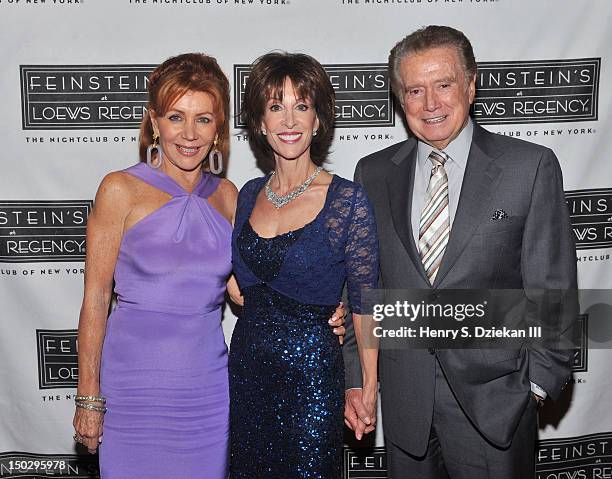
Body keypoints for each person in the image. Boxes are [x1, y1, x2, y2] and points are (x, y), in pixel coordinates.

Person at [72, 52, 346, 479]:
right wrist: (89, 396)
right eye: (176, 117)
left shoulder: (229, 196)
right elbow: (93, 300)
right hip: (133, 389)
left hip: (208, 388)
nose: (189, 133)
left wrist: (321, 313)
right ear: (153, 122)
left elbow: (249, 289)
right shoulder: (119, 189)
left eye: (204, 119)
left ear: (219, 126)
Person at [343, 26, 577, 478]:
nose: (430, 103)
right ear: (400, 98)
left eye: (444, 84)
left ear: (470, 85)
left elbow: (554, 292)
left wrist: (535, 388)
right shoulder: (372, 174)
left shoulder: (528, 167)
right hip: (405, 405)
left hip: (496, 407)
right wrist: (359, 377)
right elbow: (363, 292)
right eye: (415, 90)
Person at [229, 52, 379, 478]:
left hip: (311, 376)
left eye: (302, 106)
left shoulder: (347, 200)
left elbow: (366, 303)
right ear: (260, 122)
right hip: (247, 372)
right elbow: (241, 277)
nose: (289, 120)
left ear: (318, 120)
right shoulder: (246, 195)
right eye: (276, 107)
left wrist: (367, 388)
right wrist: (230, 284)